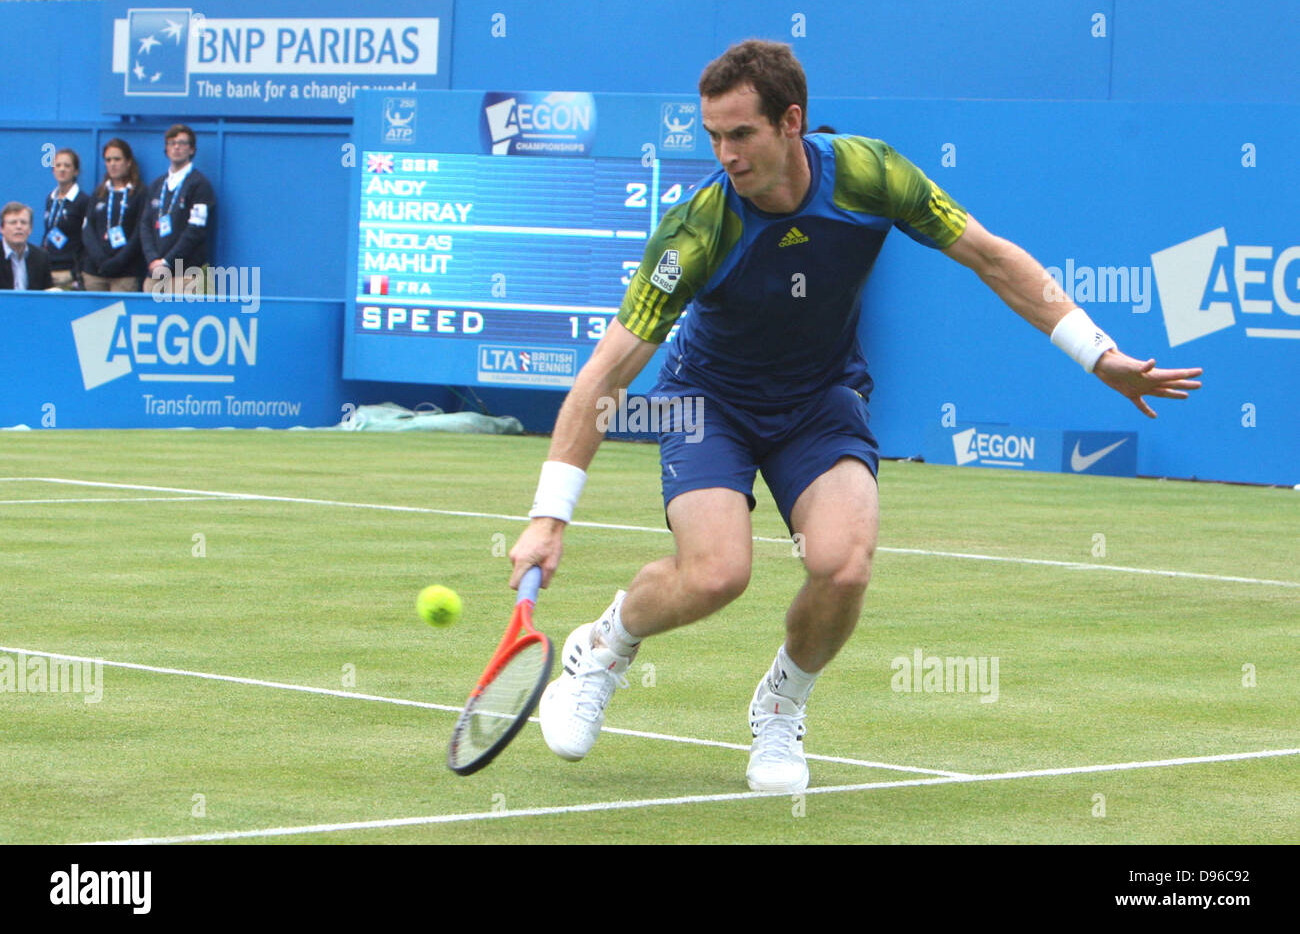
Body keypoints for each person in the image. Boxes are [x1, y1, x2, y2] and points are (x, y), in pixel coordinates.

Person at [508, 40, 1203, 793]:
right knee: (717, 573)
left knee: (843, 563)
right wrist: (550, 516)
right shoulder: (698, 228)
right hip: (710, 400)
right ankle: (605, 645)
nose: (725, 154)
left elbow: (993, 258)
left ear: (791, 122)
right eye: (712, 135)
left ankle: (780, 705)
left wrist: (1099, 356)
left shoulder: (870, 175)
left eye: (740, 133)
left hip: (819, 397)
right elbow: (605, 373)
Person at [140, 124, 217, 296]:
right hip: (155, 275)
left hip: (186, 275)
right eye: (172, 143)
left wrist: (167, 262)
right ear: (166, 149)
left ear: (191, 149)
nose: (176, 147)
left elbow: (195, 231)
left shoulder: (199, 185)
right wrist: (153, 259)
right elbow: (145, 225)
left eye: (182, 143)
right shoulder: (157, 185)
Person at [82, 138, 147, 293]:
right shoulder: (99, 193)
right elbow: (87, 229)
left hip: (125, 273)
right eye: (108, 160)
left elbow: (139, 232)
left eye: (117, 159)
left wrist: (118, 261)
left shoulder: (140, 193)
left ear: (128, 162)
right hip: (95, 272)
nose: (112, 164)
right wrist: (100, 259)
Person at [42, 148, 90, 289]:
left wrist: (77, 270)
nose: (62, 169)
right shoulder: (51, 199)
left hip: (69, 270)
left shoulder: (83, 201)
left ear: (76, 171)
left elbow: (86, 239)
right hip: (49, 268)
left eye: (67, 166)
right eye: (58, 165)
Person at [1, 202, 53, 291]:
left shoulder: (41, 257)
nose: (19, 227)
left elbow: (46, 292)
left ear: (30, 229)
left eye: (23, 223)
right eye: (13, 222)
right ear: (2, 229)